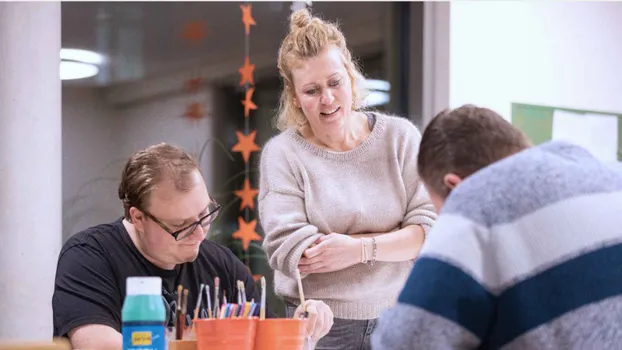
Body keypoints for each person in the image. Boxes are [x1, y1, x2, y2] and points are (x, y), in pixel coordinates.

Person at [257, 9, 437, 350]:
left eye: (334, 82)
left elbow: (429, 231)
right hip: (320, 324)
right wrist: (395, 240)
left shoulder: (399, 138)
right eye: (311, 90)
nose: (327, 98)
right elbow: (293, 249)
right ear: (294, 97)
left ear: (350, 76)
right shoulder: (283, 154)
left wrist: (357, 248)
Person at [371, 105, 622, 349]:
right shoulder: (605, 174)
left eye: (440, 212)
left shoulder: (476, 198)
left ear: (455, 186)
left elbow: (405, 341)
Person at [52, 143, 334, 350]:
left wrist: (301, 331)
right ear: (138, 217)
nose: (199, 234)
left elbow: (263, 339)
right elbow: (97, 345)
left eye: (204, 215)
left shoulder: (219, 264)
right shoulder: (89, 256)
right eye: (182, 226)